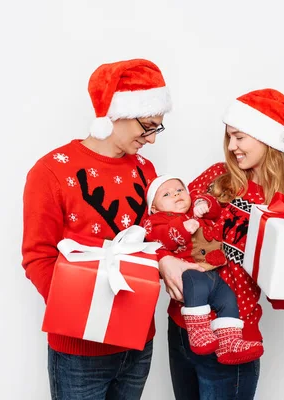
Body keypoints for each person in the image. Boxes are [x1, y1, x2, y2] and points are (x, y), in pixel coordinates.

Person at [22, 58, 183, 400]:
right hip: (81, 351)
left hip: (138, 344)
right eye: (148, 125)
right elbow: (38, 258)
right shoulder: (50, 172)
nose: (152, 140)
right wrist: (88, 315)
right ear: (118, 112)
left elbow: (154, 235)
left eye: (158, 127)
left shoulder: (145, 169)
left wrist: (167, 259)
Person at [159, 88, 284, 400]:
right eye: (228, 137)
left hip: (232, 340)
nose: (231, 147)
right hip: (182, 327)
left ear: (266, 138)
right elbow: (167, 226)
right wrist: (165, 260)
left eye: (239, 137)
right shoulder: (217, 177)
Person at [142, 175, 264, 364]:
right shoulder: (156, 220)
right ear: (155, 207)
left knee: (228, 298)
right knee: (196, 288)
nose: (176, 195)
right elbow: (157, 238)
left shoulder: (194, 209)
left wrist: (203, 204)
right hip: (189, 272)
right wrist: (181, 228)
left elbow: (213, 208)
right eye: (167, 194)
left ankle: (229, 341)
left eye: (180, 190)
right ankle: (199, 332)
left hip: (213, 273)